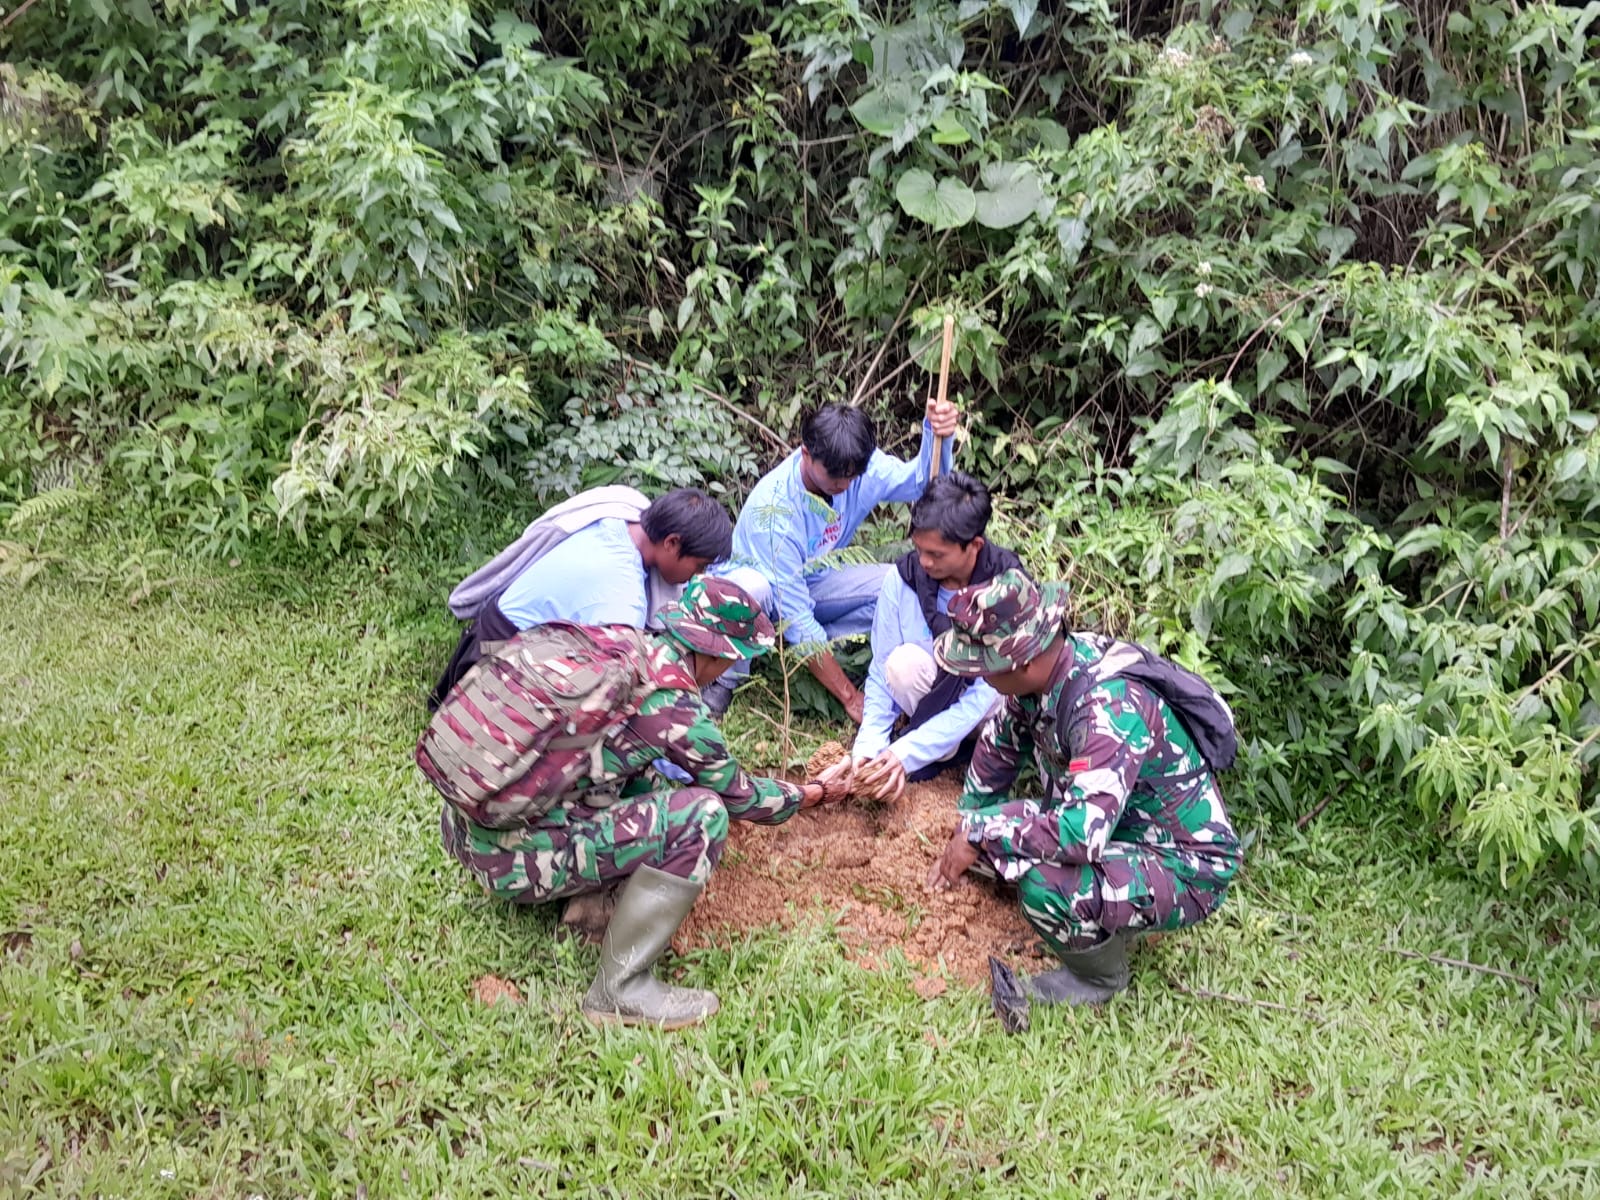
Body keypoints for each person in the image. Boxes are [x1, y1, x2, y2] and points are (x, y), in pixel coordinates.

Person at [426, 578, 849, 1029]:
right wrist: (811, 793)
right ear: (716, 653)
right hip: (513, 863)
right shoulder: (671, 704)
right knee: (702, 816)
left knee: (648, 778)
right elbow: (741, 796)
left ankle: (591, 900)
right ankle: (619, 989)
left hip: (467, 832)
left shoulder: (624, 649)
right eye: (731, 660)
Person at [924, 569, 1241, 1006]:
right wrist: (971, 820)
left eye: (985, 667)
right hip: (1121, 831)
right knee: (1005, 832)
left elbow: (1079, 835)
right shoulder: (1045, 677)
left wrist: (983, 832)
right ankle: (1106, 915)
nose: (980, 676)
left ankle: (1100, 979)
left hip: (1186, 864)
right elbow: (998, 748)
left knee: (1045, 882)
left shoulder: (1107, 708)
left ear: (1024, 662)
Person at [706, 399, 958, 719]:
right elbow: (796, 619)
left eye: (854, 476)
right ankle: (723, 679)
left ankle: (899, 675)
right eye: (837, 477)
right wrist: (849, 696)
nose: (846, 485)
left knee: (897, 584)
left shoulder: (854, 465)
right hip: (760, 597)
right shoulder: (774, 515)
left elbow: (924, 484)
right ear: (807, 454)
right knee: (753, 589)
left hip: (814, 585)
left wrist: (937, 436)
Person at [430, 485, 731, 709]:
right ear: (672, 542)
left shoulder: (618, 513)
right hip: (492, 669)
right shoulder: (622, 596)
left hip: (484, 632)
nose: (695, 576)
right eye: (699, 566)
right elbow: (618, 692)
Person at [849, 473, 1022, 801]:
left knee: (1005, 705)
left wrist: (904, 752)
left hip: (990, 708)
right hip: (936, 696)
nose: (924, 562)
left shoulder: (1004, 588)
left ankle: (967, 755)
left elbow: (981, 699)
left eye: (937, 555)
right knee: (902, 664)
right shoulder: (904, 579)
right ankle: (942, 750)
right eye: (919, 549)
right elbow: (881, 670)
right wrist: (869, 750)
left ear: (974, 546)